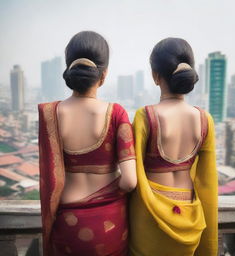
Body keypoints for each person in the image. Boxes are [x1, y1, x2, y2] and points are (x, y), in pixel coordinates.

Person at [38, 31, 137, 256]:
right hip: (109, 224)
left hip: (67, 223)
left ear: (69, 70)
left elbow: (49, 176)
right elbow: (130, 181)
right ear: (103, 75)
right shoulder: (116, 114)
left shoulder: (50, 114)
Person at [129, 38, 218, 256]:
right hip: (190, 216)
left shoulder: (145, 116)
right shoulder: (205, 119)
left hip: (149, 219)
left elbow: (132, 174)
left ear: (155, 76)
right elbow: (207, 183)